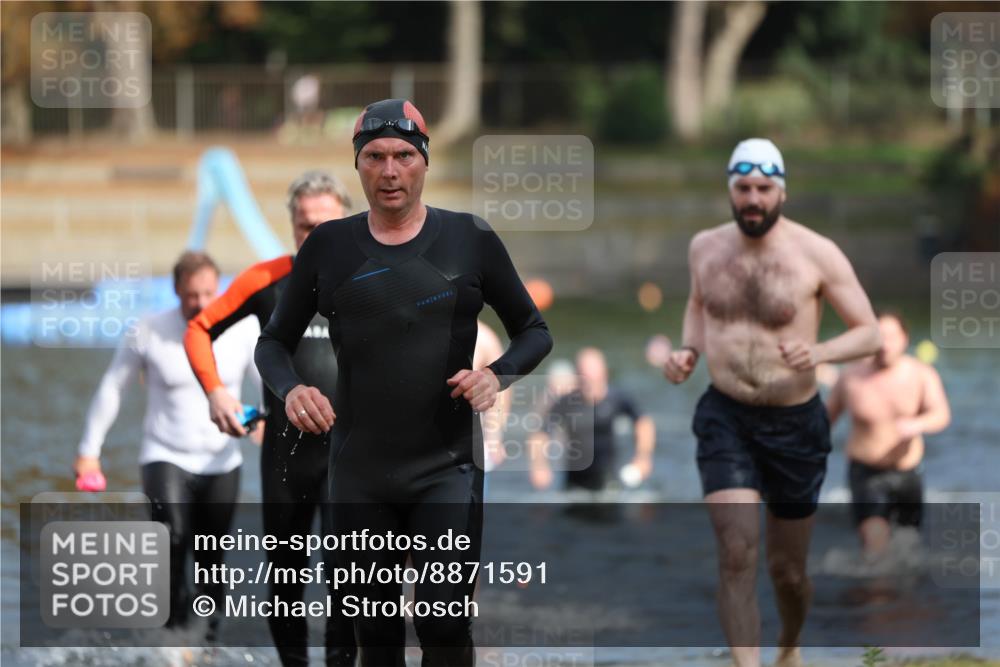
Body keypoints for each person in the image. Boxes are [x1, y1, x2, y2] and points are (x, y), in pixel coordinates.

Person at [254, 98, 552, 666]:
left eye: (403, 156)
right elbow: (272, 344)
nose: (390, 171)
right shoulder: (328, 246)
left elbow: (534, 331)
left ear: (424, 162)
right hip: (360, 473)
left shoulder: (470, 238)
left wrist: (496, 375)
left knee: (441, 627)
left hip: (446, 467)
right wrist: (292, 389)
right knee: (377, 639)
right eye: (375, 157)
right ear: (358, 166)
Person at [662, 138, 881, 667]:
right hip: (726, 415)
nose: (753, 199)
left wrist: (821, 350)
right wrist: (689, 349)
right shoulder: (705, 248)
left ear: (782, 190)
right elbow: (698, 304)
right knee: (736, 552)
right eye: (743, 188)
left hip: (796, 423)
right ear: (730, 191)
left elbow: (870, 333)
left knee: (788, 572)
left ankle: (789, 646)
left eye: (763, 188)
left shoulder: (816, 253)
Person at [183, 171, 356, 667]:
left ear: (347, 221)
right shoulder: (268, 279)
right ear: (292, 225)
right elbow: (199, 328)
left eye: (325, 224)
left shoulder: (375, 278)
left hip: (353, 459)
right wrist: (216, 393)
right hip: (287, 460)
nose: (314, 235)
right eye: (305, 226)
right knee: (285, 579)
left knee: (353, 579)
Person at [74, 251, 261, 637]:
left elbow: (271, 387)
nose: (201, 303)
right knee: (172, 540)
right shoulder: (148, 330)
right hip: (165, 455)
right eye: (192, 294)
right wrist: (89, 453)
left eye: (208, 293)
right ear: (176, 289)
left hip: (221, 462)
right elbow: (112, 388)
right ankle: (168, 640)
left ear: (219, 289)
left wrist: (262, 422)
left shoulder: (243, 330)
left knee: (211, 557)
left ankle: (206, 644)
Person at [827, 311, 951, 556]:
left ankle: (898, 592)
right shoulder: (851, 377)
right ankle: (876, 590)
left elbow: (941, 415)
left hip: (909, 472)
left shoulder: (921, 374)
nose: (885, 344)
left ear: (904, 339)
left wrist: (918, 424)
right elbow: (823, 421)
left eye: (891, 336)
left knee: (908, 547)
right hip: (866, 473)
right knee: (875, 544)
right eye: (879, 337)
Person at [529, 348, 655, 491]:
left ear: (605, 374)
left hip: (609, 480)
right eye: (585, 380)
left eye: (595, 379)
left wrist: (643, 457)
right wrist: (539, 465)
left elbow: (643, 423)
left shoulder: (617, 398)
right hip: (575, 482)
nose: (590, 386)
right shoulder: (566, 402)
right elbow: (541, 434)